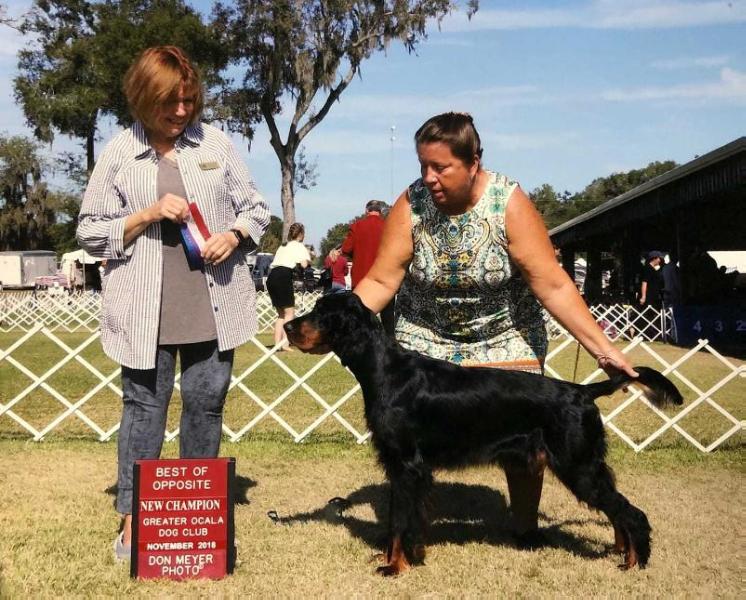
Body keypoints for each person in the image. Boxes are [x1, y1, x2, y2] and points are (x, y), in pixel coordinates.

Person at [352, 112, 636, 544]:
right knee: (410, 438)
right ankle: (411, 527)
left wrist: (602, 348)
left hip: (504, 332)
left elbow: (553, 283)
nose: (428, 177)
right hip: (427, 335)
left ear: (473, 163)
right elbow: (380, 280)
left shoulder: (509, 202)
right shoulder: (411, 204)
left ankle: (524, 526)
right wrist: (341, 318)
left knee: (526, 431)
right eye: (423, 166)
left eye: (440, 167)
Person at [76, 46, 270, 562]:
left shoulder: (217, 145)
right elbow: (90, 234)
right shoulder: (118, 153)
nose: (181, 111)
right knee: (143, 413)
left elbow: (257, 209)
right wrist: (147, 213)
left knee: (205, 410)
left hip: (214, 307)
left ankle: (198, 521)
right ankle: (133, 522)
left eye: (189, 100)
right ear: (144, 97)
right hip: (143, 314)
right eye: (169, 101)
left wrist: (234, 234)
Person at [341, 199, 395, 335]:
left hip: (361, 280)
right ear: (380, 211)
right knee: (388, 320)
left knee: (360, 318)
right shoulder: (389, 226)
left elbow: (346, 249)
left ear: (366, 211)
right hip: (385, 280)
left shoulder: (356, 226)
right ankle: (390, 347)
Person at [266, 223, 311, 350]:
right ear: (301, 234)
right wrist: (308, 260)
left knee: (281, 314)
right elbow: (303, 265)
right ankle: (285, 343)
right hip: (283, 276)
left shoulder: (283, 246)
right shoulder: (299, 246)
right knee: (289, 313)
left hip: (272, 276)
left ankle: (277, 344)